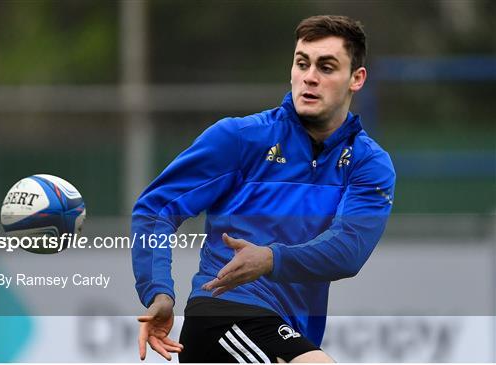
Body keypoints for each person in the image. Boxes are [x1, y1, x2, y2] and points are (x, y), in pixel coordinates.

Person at [132, 15, 395, 363]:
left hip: (289, 328)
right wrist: (158, 292)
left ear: (356, 79)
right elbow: (156, 209)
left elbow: (348, 249)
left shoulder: (369, 163)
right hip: (222, 316)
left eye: (326, 67)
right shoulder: (240, 138)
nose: (310, 77)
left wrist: (271, 259)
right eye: (302, 63)